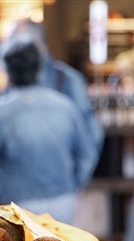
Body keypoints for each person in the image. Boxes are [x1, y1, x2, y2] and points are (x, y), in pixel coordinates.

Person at [0, 35, 100, 223]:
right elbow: (87, 154)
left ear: (6, 71)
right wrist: (72, 186)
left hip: (14, 208)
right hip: (62, 203)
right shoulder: (66, 106)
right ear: (40, 66)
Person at [9, 19, 104, 151]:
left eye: (16, 42)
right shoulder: (12, 82)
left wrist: (74, 171)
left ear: (40, 46)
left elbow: (90, 135)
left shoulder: (68, 80)